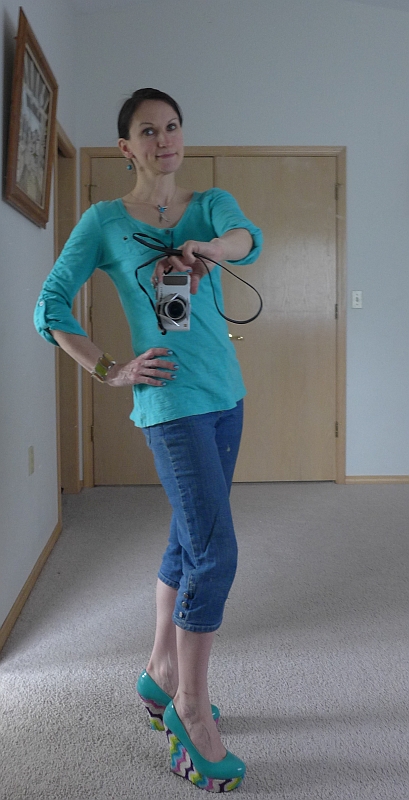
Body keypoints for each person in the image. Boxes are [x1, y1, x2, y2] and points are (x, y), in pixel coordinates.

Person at [34, 88, 262, 792]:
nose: (164, 140)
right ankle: (190, 709)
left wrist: (207, 248)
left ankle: (161, 673)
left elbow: (246, 239)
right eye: (147, 131)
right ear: (125, 148)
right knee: (214, 552)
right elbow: (50, 304)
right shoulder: (105, 221)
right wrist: (111, 369)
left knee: (188, 538)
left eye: (172, 127)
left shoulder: (209, 204)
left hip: (226, 396)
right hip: (169, 403)